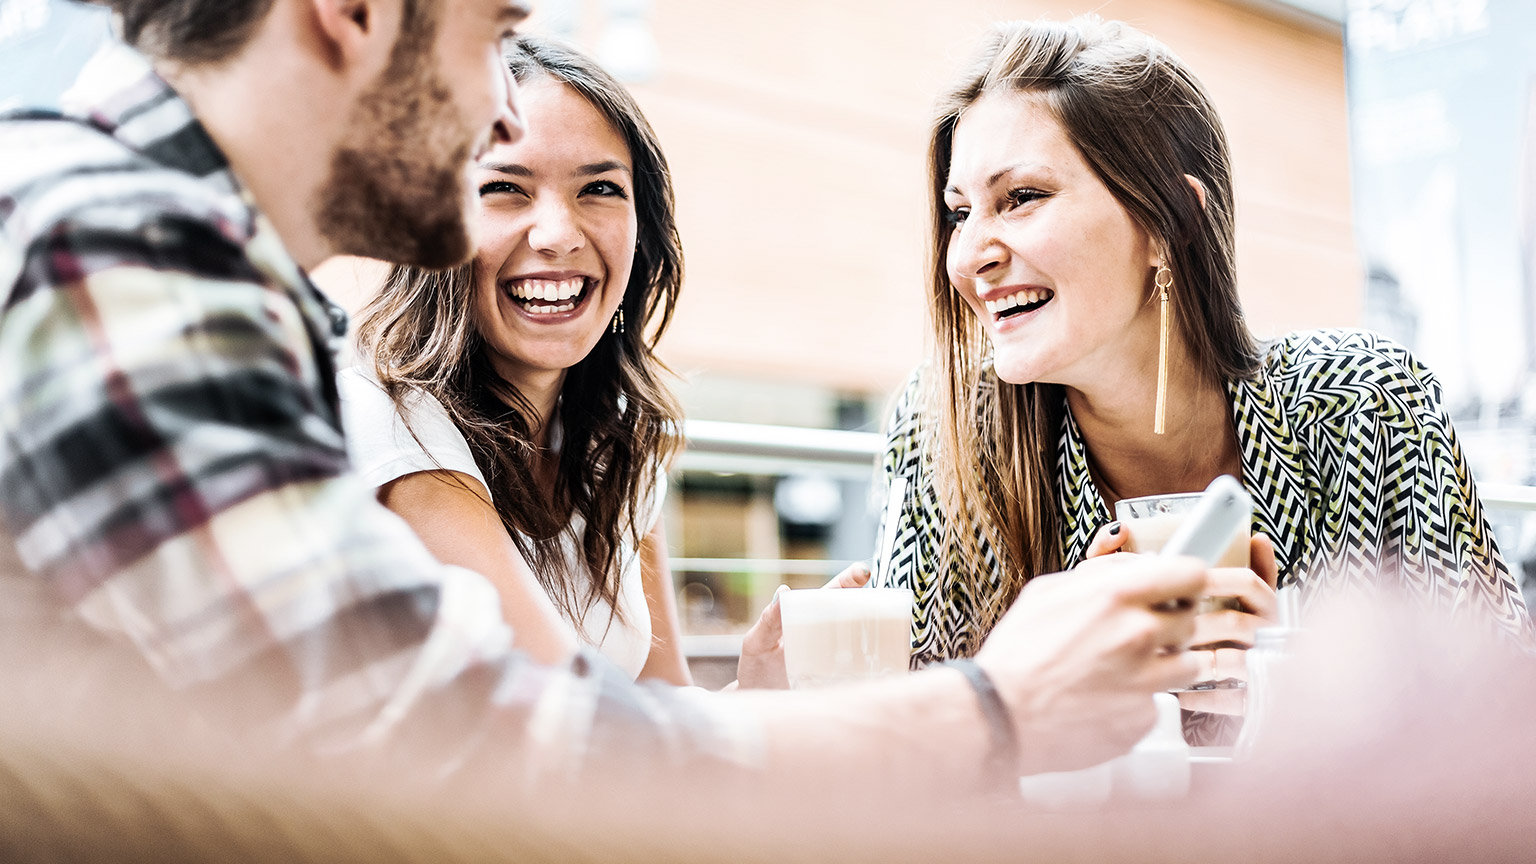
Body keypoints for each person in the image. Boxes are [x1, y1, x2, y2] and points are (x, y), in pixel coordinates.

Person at [0, 0, 1209, 796]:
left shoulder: (212, 272)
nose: (496, 109)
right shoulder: (110, 246)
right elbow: (462, 743)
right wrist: (994, 707)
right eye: (493, 35)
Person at [873, 16, 1535, 742]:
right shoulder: (946, 428)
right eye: (960, 213)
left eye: (1022, 197)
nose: (969, 256)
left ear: (1171, 223)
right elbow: (912, 747)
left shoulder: (1366, 405)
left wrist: (1284, 700)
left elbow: (1506, 713)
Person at [340, 36, 821, 688]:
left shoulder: (614, 444)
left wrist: (752, 692)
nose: (559, 234)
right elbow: (569, 714)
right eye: (505, 188)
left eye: (598, 188)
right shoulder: (392, 418)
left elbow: (660, 706)